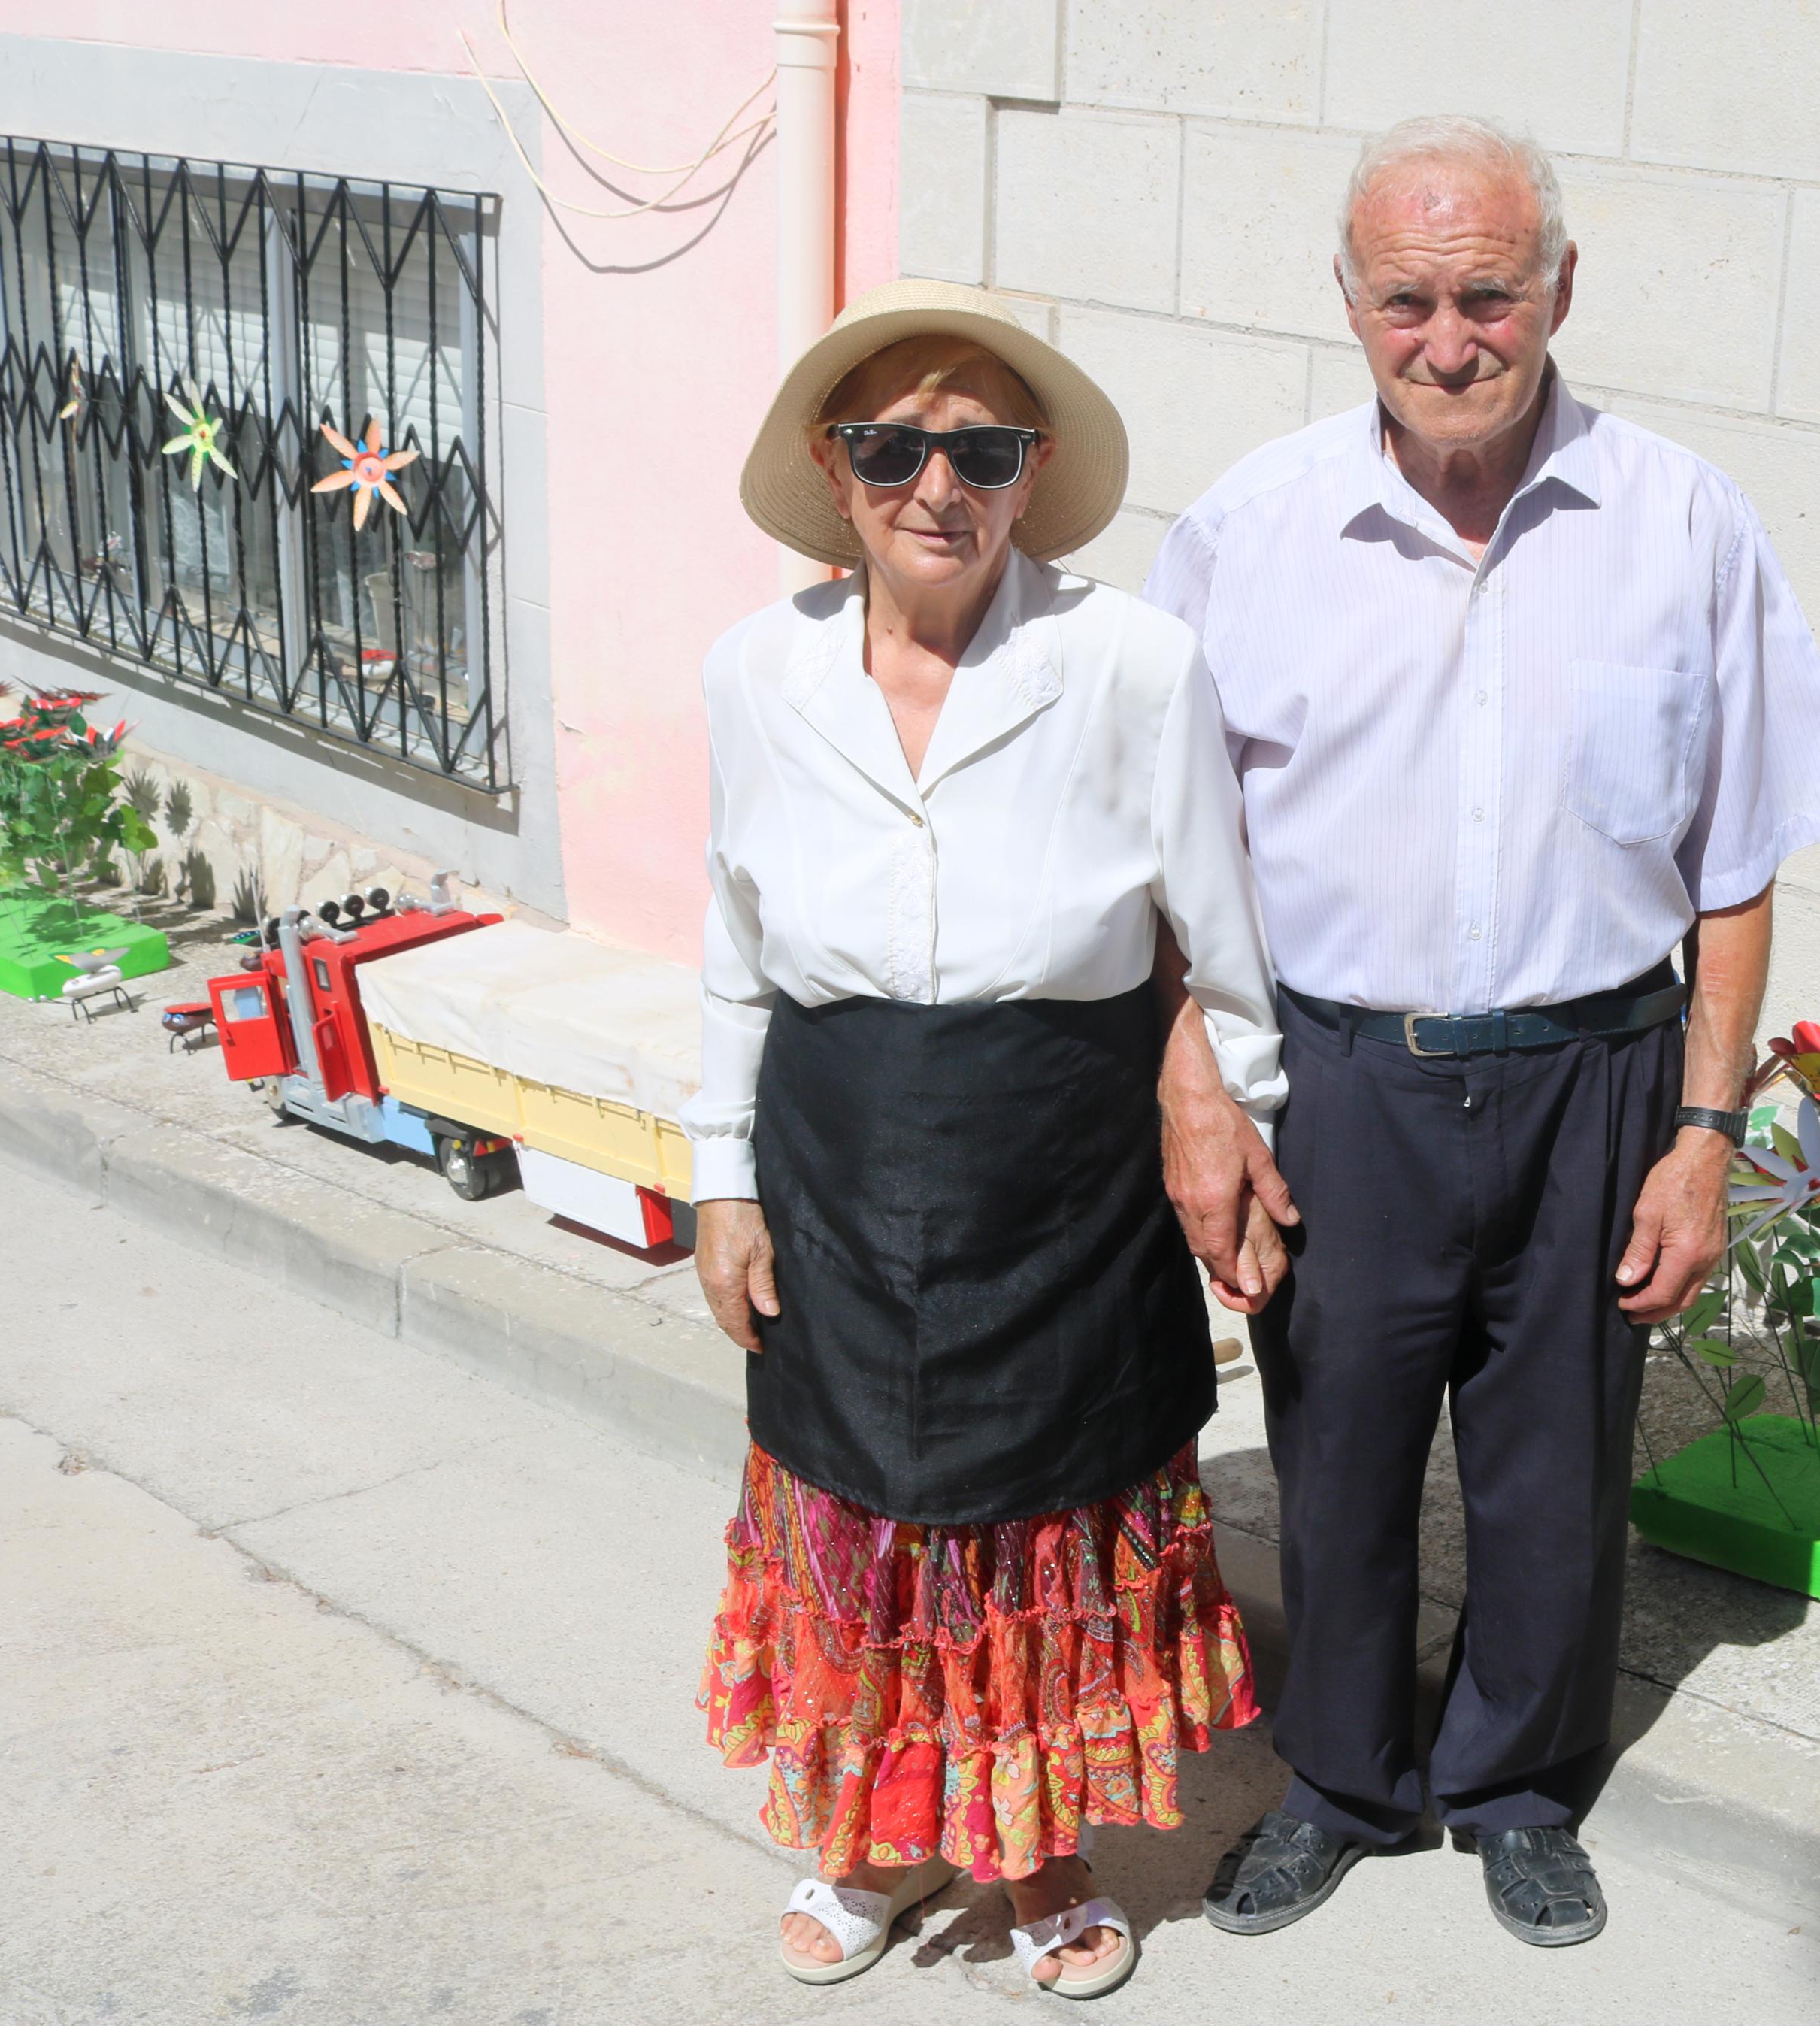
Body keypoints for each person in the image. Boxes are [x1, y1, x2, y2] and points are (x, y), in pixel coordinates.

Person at [1145, 115, 1820, 1949]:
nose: (1451, 336)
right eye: (1409, 298)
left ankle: (1524, 1785)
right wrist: (1201, 1100)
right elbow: (1166, 867)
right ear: (1348, 299)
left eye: (1489, 293)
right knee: (1340, 1452)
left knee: (1558, 1465)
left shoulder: (1683, 521)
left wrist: (1707, 1137)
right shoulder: (1247, 532)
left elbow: (1738, 861)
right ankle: (1341, 1777)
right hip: (1346, 1076)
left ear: (1561, 288)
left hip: (1598, 1075)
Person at [686, 280, 1281, 1999]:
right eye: (892, 444)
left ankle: (1038, 1855)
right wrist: (721, 1175)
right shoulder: (755, 670)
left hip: (1064, 1161)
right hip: (836, 1150)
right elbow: (732, 950)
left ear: (1028, 476)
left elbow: (1223, 951)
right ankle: (871, 1844)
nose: (935, 483)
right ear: (834, 464)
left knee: (1051, 1516)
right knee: (859, 1517)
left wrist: (1232, 1130)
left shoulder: (1133, 664)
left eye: (981, 448)